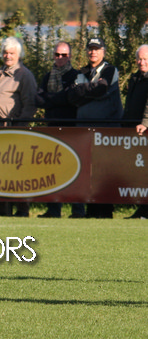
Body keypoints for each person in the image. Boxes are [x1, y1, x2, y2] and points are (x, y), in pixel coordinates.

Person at [0, 36, 37, 217]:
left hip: (11, 130)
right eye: (5, 52)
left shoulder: (24, 75)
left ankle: (22, 209)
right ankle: (1, 208)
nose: (8, 56)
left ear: (19, 55)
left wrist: (20, 127)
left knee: (16, 172)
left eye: (12, 53)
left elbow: (30, 103)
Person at [70, 37, 122, 219]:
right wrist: (91, 89)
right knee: (87, 173)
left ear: (103, 51)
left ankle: (105, 212)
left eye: (97, 49)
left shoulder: (110, 70)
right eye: (90, 49)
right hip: (84, 130)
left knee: (104, 173)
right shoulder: (82, 72)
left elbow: (102, 88)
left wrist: (83, 90)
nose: (93, 52)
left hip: (105, 130)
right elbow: (72, 96)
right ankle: (90, 211)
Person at [36, 41, 81, 218]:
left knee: (74, 170)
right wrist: (59, 98)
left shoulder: (76, 75)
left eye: (64, 55)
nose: (60, 58)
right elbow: (38, 100)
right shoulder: (48, 76)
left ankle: (78, 211)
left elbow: (71, 98)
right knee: (52, 172)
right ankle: (53, 210)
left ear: (70, 56)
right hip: (52, 129)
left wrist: (51, 99)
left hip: (71, 129)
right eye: (57, 54)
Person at [126, 45, 148, 219]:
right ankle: (142, 209)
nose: (142, 62)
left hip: (144, 131)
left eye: (145, 59)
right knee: (140, 174)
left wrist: (145, 122)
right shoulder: (135, 78)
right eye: (139, 59)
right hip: (135, 133)